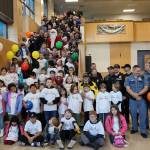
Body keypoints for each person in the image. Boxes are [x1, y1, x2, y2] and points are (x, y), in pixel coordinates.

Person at [124, 65, 148, 138]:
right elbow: (127, 89)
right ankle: (134, 128)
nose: (139, 72)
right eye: (137, 71)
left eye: (139, 71)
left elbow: (146, 87)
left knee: (143, 115)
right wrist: (135, 95)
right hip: (132, 100)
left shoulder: (144, 77)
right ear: (133, 70)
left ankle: (143, 131)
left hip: (142, 99)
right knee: (133, 114)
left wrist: (138, 94)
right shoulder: (128, 78)